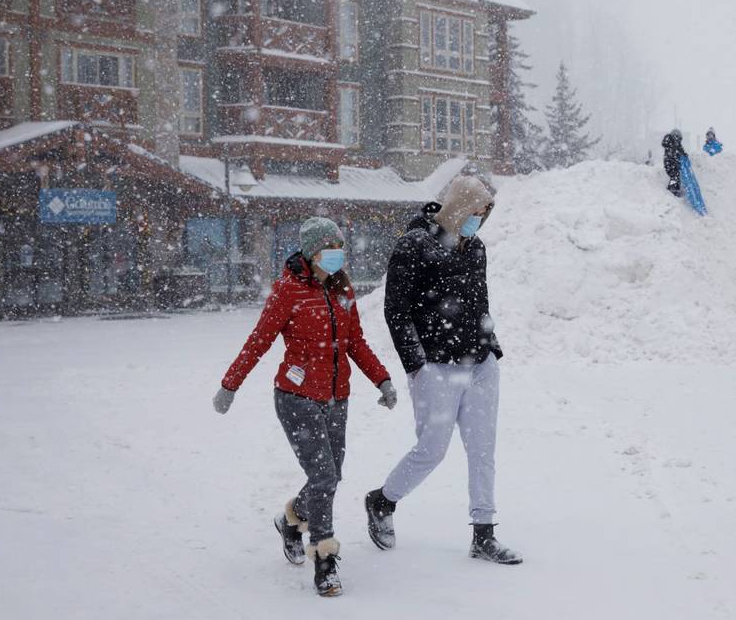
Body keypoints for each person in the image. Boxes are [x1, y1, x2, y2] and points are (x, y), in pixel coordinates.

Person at [212, 217, 397, 598]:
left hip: (336, 397)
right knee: (325, 477)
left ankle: (292, 521)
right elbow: (259, 341)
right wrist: (230, 385)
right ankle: (324, 561)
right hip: (296, 398)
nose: (337, 257)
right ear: (312, 254)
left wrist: (382, 379)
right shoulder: (288, 291)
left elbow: (355, 342)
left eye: (340, 250)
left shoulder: (343, 290)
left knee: (329, 475)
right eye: (329, 251)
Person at [364, 175, 523, 565]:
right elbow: (396, 311)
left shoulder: (476, 248)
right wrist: (416, 364)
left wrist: (491, 344)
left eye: (484, 216)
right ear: (460, 208)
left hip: (480, 363)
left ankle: (483, 535)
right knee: (432, 450)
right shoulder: (414, 245)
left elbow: (479, 301)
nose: (479, 223)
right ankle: (382, 502)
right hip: (435, 366)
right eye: (476, 214)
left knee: (483, 450)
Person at [662, 129, 687, 196]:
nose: (678, 140)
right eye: (677, 138)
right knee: (674, 176)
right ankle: (671, 189)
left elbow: (681, 150)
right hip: (669, 164)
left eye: (679, 139)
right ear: (674, 136)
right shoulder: (669, 142)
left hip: (674, 164)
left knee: (677, 176)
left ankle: (676, 189)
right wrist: (676, 160)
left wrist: (684, 155)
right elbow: (671, 154)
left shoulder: (677, 144)